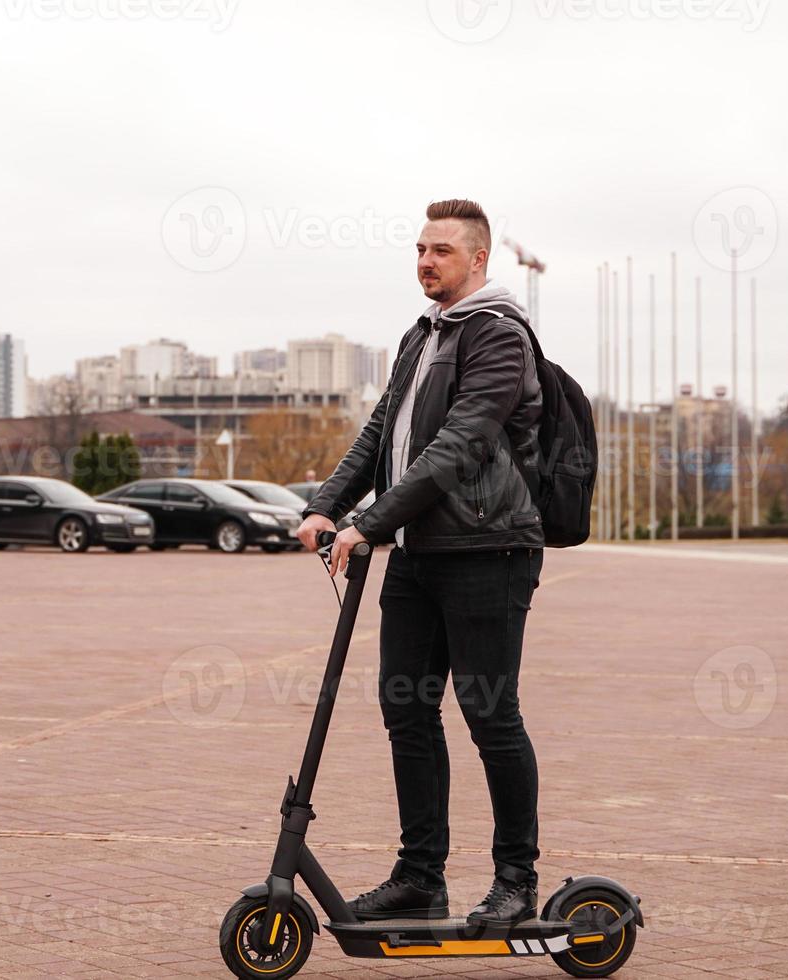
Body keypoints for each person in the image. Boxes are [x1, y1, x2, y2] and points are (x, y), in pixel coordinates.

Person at [296, 199, 545, 927]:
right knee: (405, 708)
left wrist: (368, 523)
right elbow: (379, 433)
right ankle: (420, 877)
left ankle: (515, 882)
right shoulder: (420, 336)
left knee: (491, 714)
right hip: (417, 555)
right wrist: (325, 504)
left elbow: (458, 446)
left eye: (441, 250)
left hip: (487, 551)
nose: (425, 261)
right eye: (419, 248)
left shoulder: (499, 338)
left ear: (478, 261)